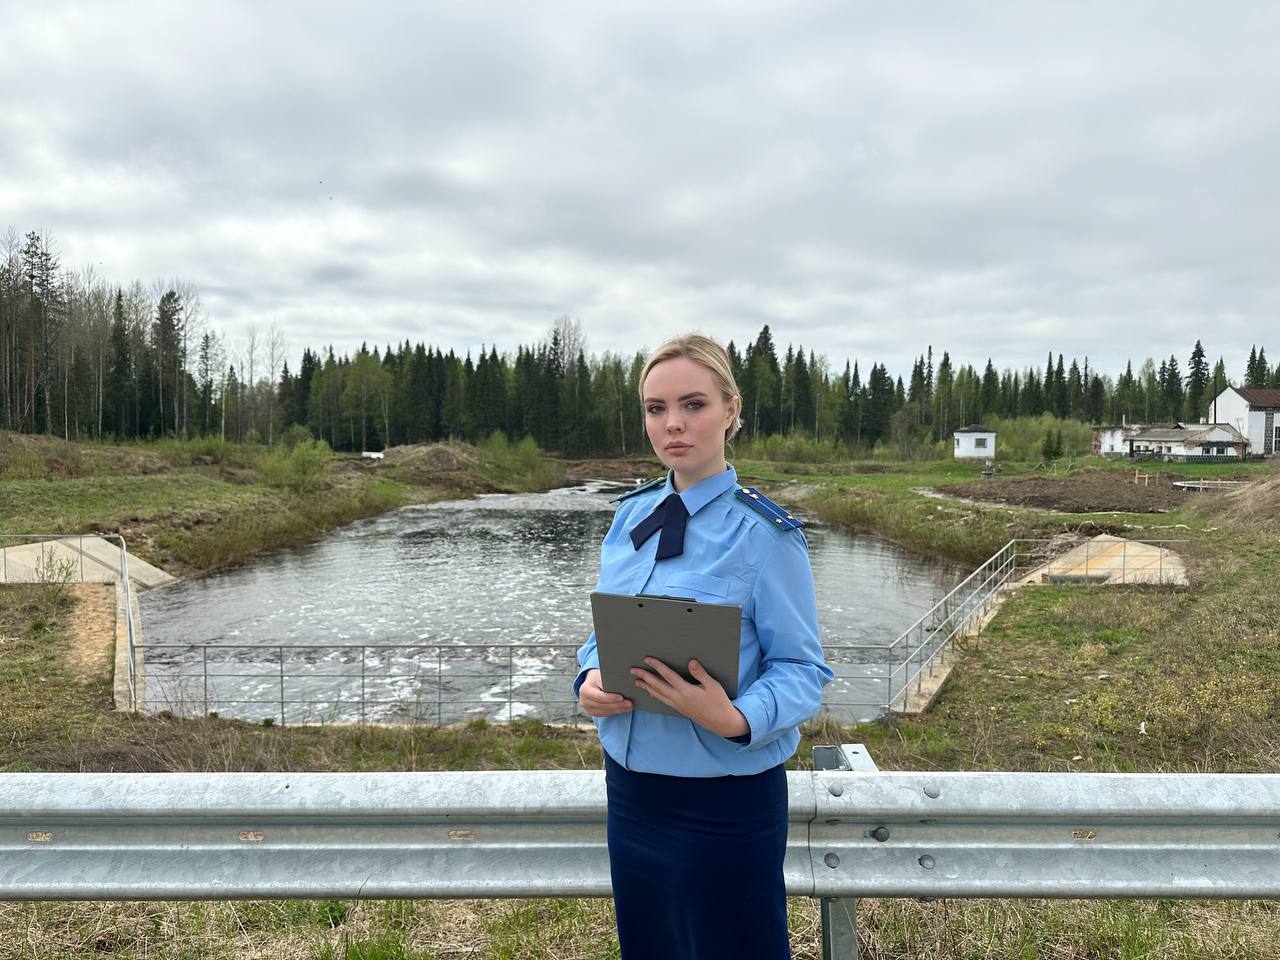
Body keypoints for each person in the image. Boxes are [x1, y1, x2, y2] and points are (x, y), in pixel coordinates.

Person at [575, 333, 833, 960]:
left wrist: (736, 718)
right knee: (649, 946)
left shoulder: (766, 536)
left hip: (725, 798)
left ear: (731, 410)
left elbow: (803, 669)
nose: (672, 425)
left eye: (693, 404)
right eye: (655, 408)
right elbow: (602, 630)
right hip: (632, 789)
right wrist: (587, 678)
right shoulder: (628, 517)